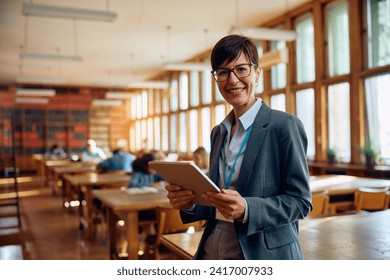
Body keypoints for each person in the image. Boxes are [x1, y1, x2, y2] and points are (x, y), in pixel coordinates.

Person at [165, 34, 312, 260]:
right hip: (213, 244)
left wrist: (248, 208)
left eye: (241, 69)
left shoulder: (284, 125)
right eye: (223, 72)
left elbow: (301, 202)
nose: (232, 80)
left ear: (257, 73)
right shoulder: (219, 132)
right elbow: (213, 199)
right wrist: (188, 204)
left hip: (261, 252)